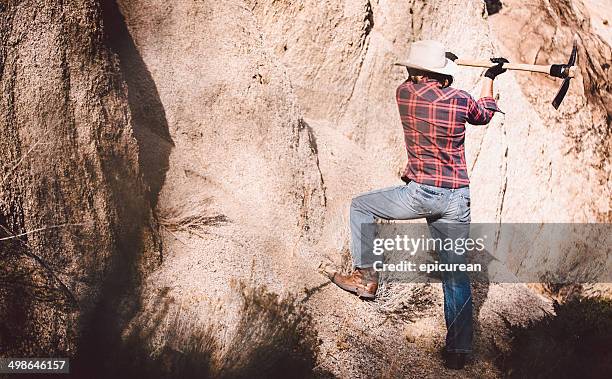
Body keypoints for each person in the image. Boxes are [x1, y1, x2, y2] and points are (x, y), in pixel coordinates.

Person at [331, 40, 507, 370]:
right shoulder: (460, 101)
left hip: (421, 193)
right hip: (457, 197)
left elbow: (420, 81)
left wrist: (443, 67)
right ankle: (458, 353)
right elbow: (484, 113)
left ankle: (366, 277)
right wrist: (490, 76)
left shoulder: (404, 94)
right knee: (456, 274)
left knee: (361, 207)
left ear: (414, 72)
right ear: (443, 74)